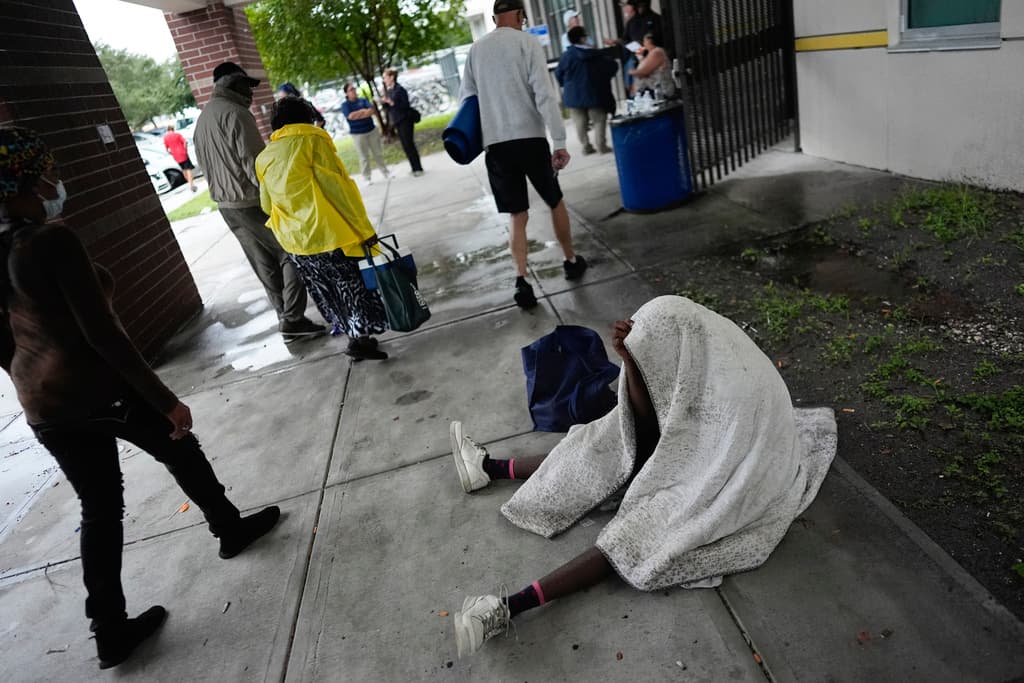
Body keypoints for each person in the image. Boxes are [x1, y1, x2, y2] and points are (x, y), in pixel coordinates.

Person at [0, 126, 282, 669]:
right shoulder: (51, 239)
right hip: (99, 389)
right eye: (48, 170)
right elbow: (101, 333)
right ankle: (230, 530)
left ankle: (110, 631)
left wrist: (29, 382)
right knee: (181, 445)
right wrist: (163, 399)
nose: (56, 179)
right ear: (30, 178)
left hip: (45, 405)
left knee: (99, 509)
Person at [448, 295, 838, 656]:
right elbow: (645, 422)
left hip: (739, 468)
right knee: (603, 441)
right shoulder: (695, 345)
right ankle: (487, 468)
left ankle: (509, 607)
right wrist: (632, 359)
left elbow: (710, 461)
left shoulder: (735, 390)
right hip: (698, 440)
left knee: (643, 529)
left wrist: (657, 477)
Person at [461, 0, 589, 310]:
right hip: (530, 139)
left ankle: (521, 282)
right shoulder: (527, 43)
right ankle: (570, 260)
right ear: (521, 15)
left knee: (517, 215)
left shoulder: (476, 51)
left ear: (493, 18)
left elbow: (468, 99)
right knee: (554, 200)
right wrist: (559, 140)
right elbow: (543, 94)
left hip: (497, 145)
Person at [193, 62, 326, 344]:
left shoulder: (203, 119)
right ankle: (292, 319)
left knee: (264, 263)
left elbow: (204, 165)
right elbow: (256, 164)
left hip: (227, 206)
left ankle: (286, 318)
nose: (252, 93)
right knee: (294, 252)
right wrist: (277, 197)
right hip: (251, 201)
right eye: (247, 86)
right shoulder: (237, 114)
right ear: (232, 84)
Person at [255, 98, 389, 361]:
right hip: (329, 234)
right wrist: (363, 231)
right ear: (306, 117)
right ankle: (359, 341)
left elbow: (266, 204)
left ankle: (353, 336)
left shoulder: (264, 157)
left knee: (327, 291)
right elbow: (339, 192)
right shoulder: (314, 142)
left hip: (296, 242)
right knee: (352, 287)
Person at [555, 26, 618, 155]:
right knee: (599, 119)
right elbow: (611, 66)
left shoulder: (566, 56)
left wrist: (566, 85)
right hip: (594, 92)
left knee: (579, 122)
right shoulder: (595, 54)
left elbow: (558, 74)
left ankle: (586, 147)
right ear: (583, 38)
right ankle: (601, 146)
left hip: (573, 95)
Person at [604, 0, 664, 92]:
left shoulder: (656, 19)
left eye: (642, 5)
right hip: (638, 60)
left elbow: (663, 39)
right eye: (638, 6)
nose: (640, 8)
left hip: (654, 61)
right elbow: (625, 40)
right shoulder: (631, 22)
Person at [340, 82, 394, 185]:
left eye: (354, 89)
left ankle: (385, 172)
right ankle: (367, 178)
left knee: (378, 153)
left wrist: (360, 113)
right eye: (351, 90)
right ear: (346, 93)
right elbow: (350, 116)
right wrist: (363, 112)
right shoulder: (345, 105)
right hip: (358, 134)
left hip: (371, 131)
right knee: (363, 156)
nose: (354, 91)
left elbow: (371, 111)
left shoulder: (363, 100)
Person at [380, 69, 424, 177]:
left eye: (385, 77)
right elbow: (389, 109)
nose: (384, 80)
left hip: (405, 120)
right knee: (405, 145)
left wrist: (391, 102)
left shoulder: (400, 90)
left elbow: (405, 105)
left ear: (391, 77)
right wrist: (384, 102)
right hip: (397, 121)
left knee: (409, 144)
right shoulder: (389, 91)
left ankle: (418, 168)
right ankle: (413, 168)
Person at [629, 33, 676, 98]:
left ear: (649, 41)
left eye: (644, 41)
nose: (643, 43)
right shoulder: (650, 53)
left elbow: (644, 72)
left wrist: (631, 72)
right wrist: (640, 57)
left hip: (660, 90)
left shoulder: (657, 52)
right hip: (652, 89)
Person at [162, 122, 197, 192]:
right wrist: (185, 149)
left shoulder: (165, 138)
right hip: (183, 154)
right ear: (173, 129)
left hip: (176, 157)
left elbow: (166, 149)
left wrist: (171, 153)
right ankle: (191, 185)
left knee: (183, 170)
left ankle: (190, 183)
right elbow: (185, 142)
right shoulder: (177, 134)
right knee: (188, 169)